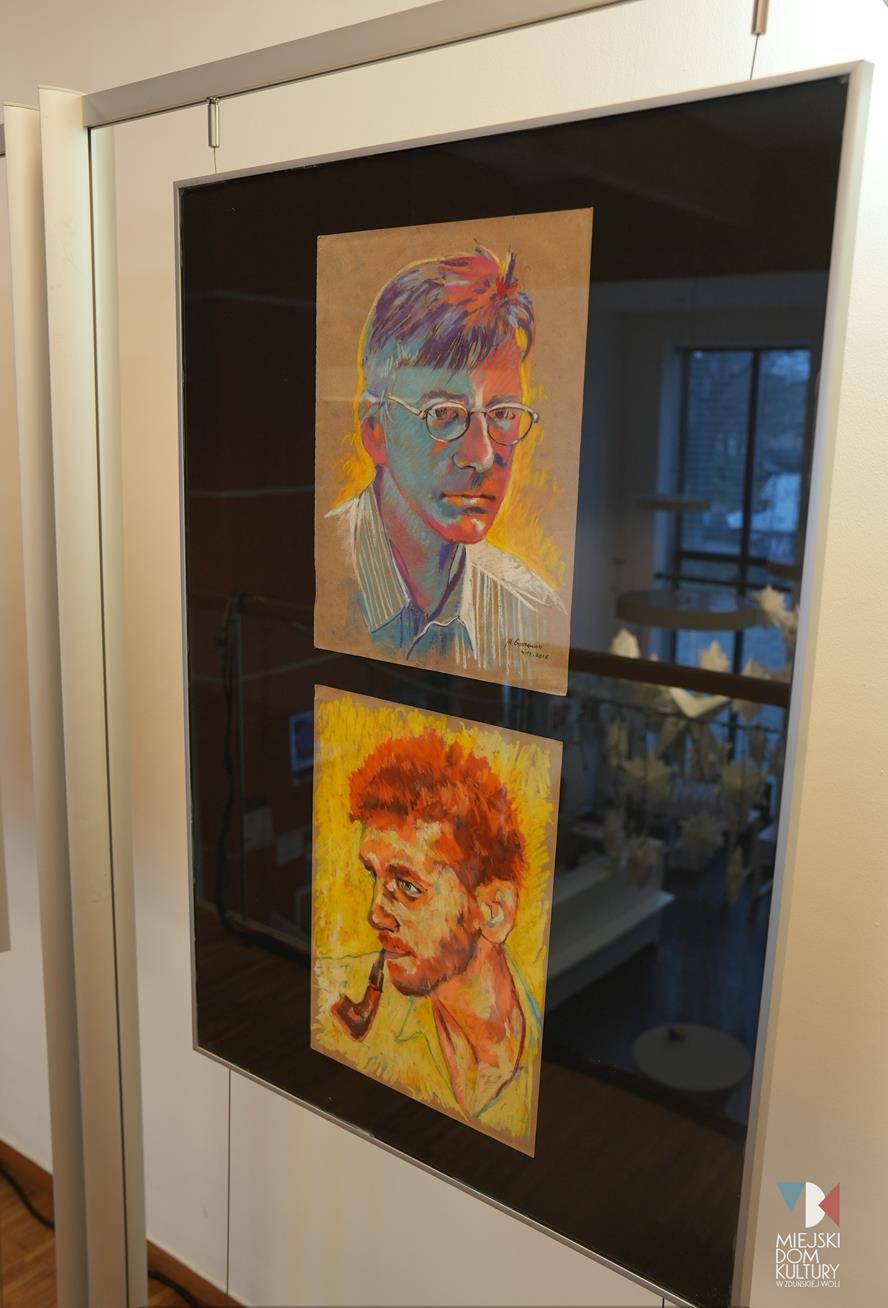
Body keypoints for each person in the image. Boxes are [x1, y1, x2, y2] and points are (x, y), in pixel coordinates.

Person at [324, 245, 562, 681]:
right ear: (375, 430)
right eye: (445, 413)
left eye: (503, 414)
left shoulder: (532, 611)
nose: (482, 455)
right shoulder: (320, 572)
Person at [311, 730, 542, 1151]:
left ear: (493, 911)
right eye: (374, 875)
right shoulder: (335, 1000)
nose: (376, 914)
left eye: (408, 887)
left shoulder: (550, 1062)